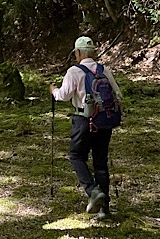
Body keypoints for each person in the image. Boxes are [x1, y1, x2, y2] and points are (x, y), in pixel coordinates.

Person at [50, 35, 122, 220]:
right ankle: (104, 209)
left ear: (79, 53)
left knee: (76, 156)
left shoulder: (74, 71)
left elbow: (64, 96)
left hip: (83, 120)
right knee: (100, 162)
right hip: (104, 121)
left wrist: (53, 91)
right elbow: (117, 94)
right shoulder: (104, 70)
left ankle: (92, 191)